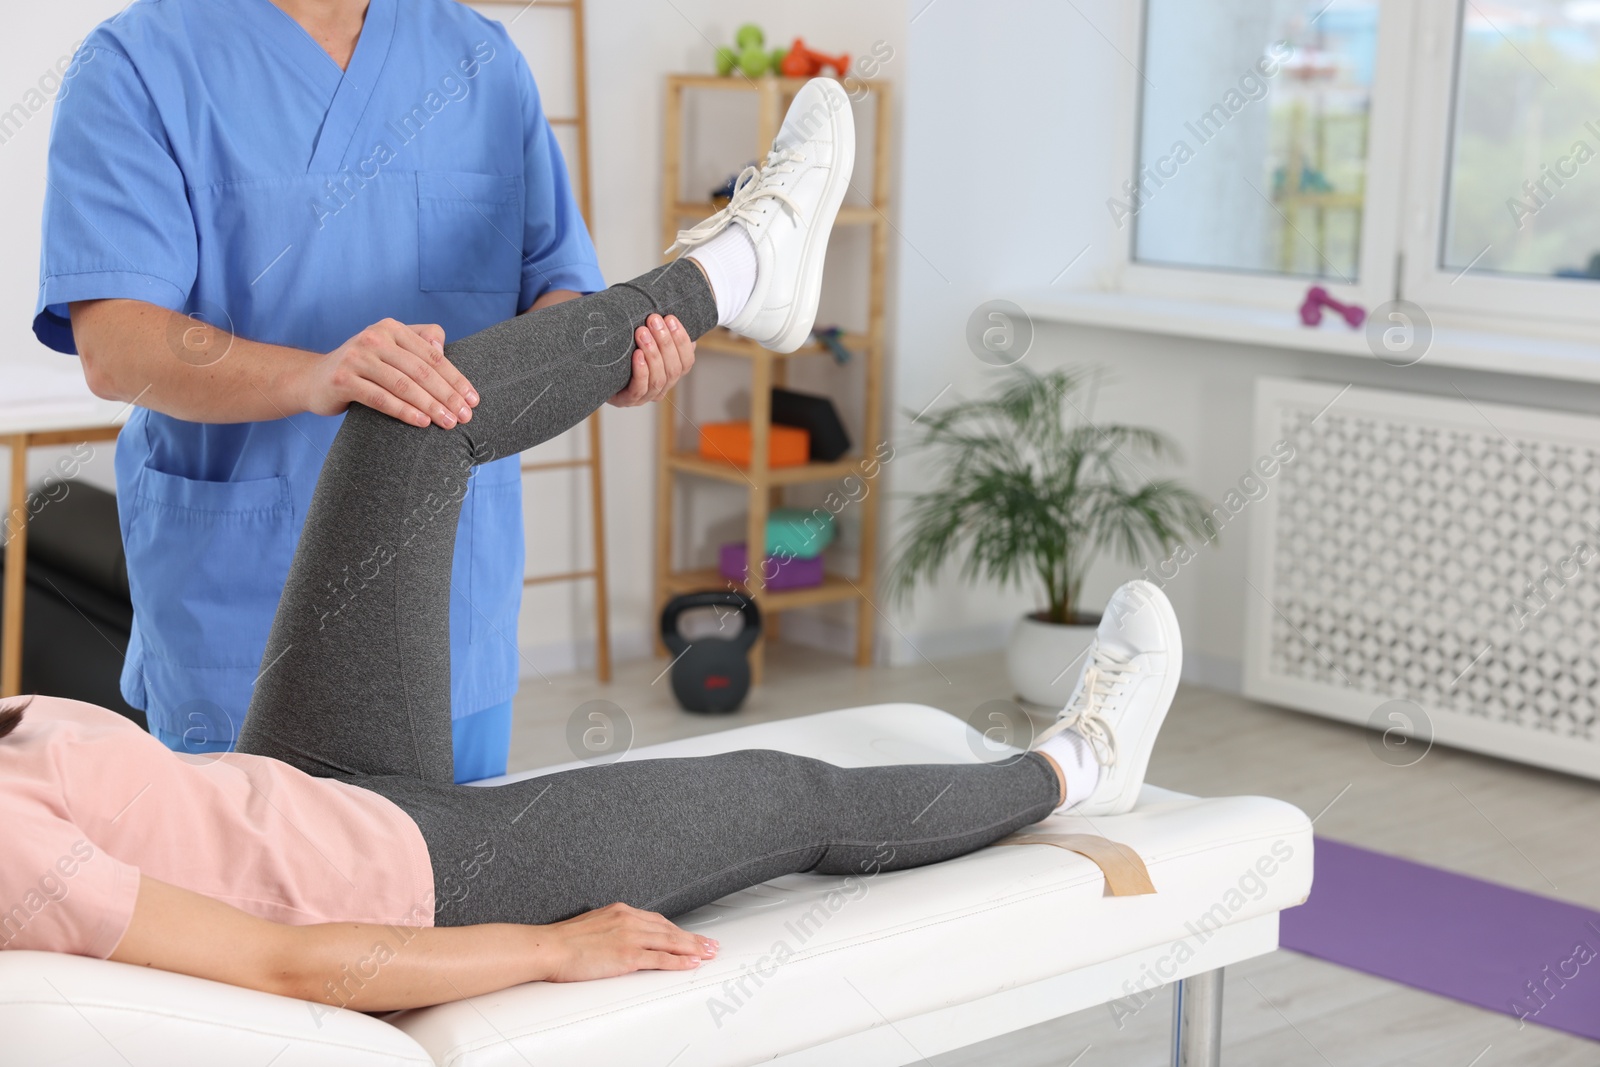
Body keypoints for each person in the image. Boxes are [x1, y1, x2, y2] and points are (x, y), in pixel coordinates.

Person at [1, 80, 1183, 1010]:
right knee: (782, 798)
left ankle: (737, 270)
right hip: (417, 874)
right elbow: (285, 965)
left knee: (405, 410)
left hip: (297, 778)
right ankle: (1078, 767)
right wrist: (550, 948)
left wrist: (600, 357)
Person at [32, 0, 689, 782]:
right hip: (241, 613)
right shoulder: (138, 61)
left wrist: (594, 362)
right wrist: (311, 376)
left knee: (445, 885)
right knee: (252, 891)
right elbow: (116, 343)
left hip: (452, 600)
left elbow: (558, 290)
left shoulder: (480, 56)